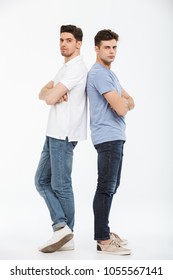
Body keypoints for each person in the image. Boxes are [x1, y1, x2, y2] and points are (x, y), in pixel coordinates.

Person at [35, 24, 87, 253]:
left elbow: (49, 97)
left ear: (79, 43)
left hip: (63, 133)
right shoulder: (64, 68)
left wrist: (52, 93)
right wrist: (52, 92)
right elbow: (43, 93)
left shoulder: (76, 68)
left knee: (61, 184)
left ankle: (65, 230)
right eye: (61, 40)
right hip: (52, 131)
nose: (63, 44)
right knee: (41, 180)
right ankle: (63, 230)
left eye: (68, 40)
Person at [86, 29, 135, 255]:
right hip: (107, 137)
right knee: (105, 187)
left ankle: (104, 231)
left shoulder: (110, 74)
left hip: (115, 136)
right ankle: (103, 240)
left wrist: (124, 104)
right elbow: (121, 106)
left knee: (111, 186)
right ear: (96, 48)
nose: (112, 51)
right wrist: (123, 104)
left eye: (114, 47)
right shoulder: (99, 74)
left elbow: (130, 100)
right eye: (107, 47)